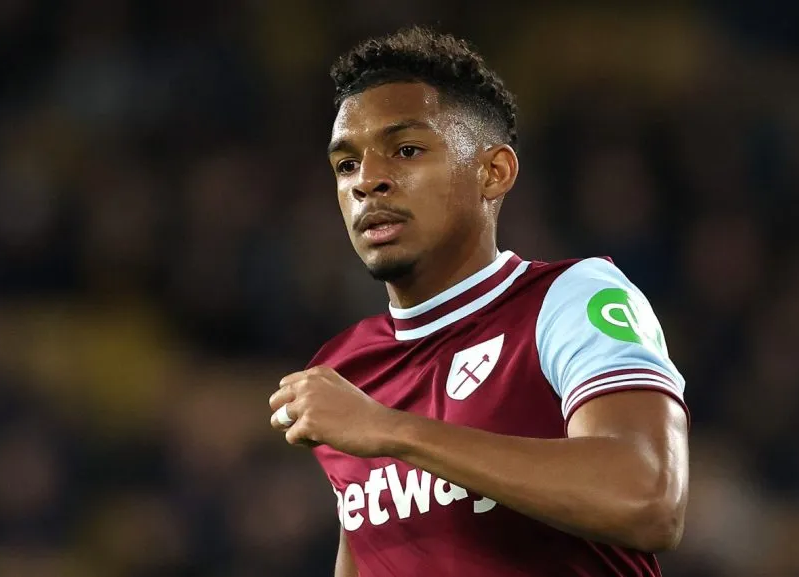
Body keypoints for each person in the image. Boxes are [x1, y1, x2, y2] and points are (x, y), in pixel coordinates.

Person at [268, 25, 690, 577]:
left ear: (494, 172)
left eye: (407, 150)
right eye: (347, 165)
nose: (367, 181)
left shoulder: (566, 299)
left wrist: (394, 430)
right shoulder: (344, 371)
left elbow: (648, 498)